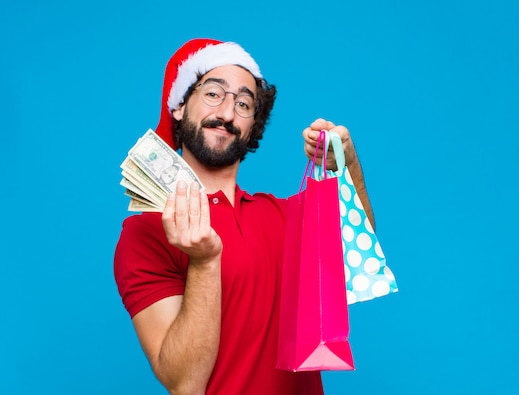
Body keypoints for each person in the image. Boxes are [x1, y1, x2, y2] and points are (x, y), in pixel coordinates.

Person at [114, 38, 375, 395]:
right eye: (212, 94)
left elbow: (354, 252)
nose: (226, 113)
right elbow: (184, 383)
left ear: (253, 126)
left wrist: (346, 163)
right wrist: (204, 263)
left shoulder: (283, 217)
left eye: (243, 103)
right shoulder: (147, 232)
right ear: (178, 105)